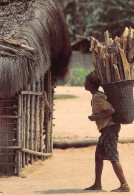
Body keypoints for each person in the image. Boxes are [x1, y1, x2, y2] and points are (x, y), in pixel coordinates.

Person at [84, 71, 130, 192]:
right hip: (106, 129)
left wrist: (95, 118)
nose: (84, 83)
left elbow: (111, 110)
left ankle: (124, 185)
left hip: (109, 129)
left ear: (89, 84)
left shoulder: (98, 97)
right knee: (99, 156)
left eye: (86, 81)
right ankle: (97, 184)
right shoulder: (98, 95)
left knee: (113, 156)